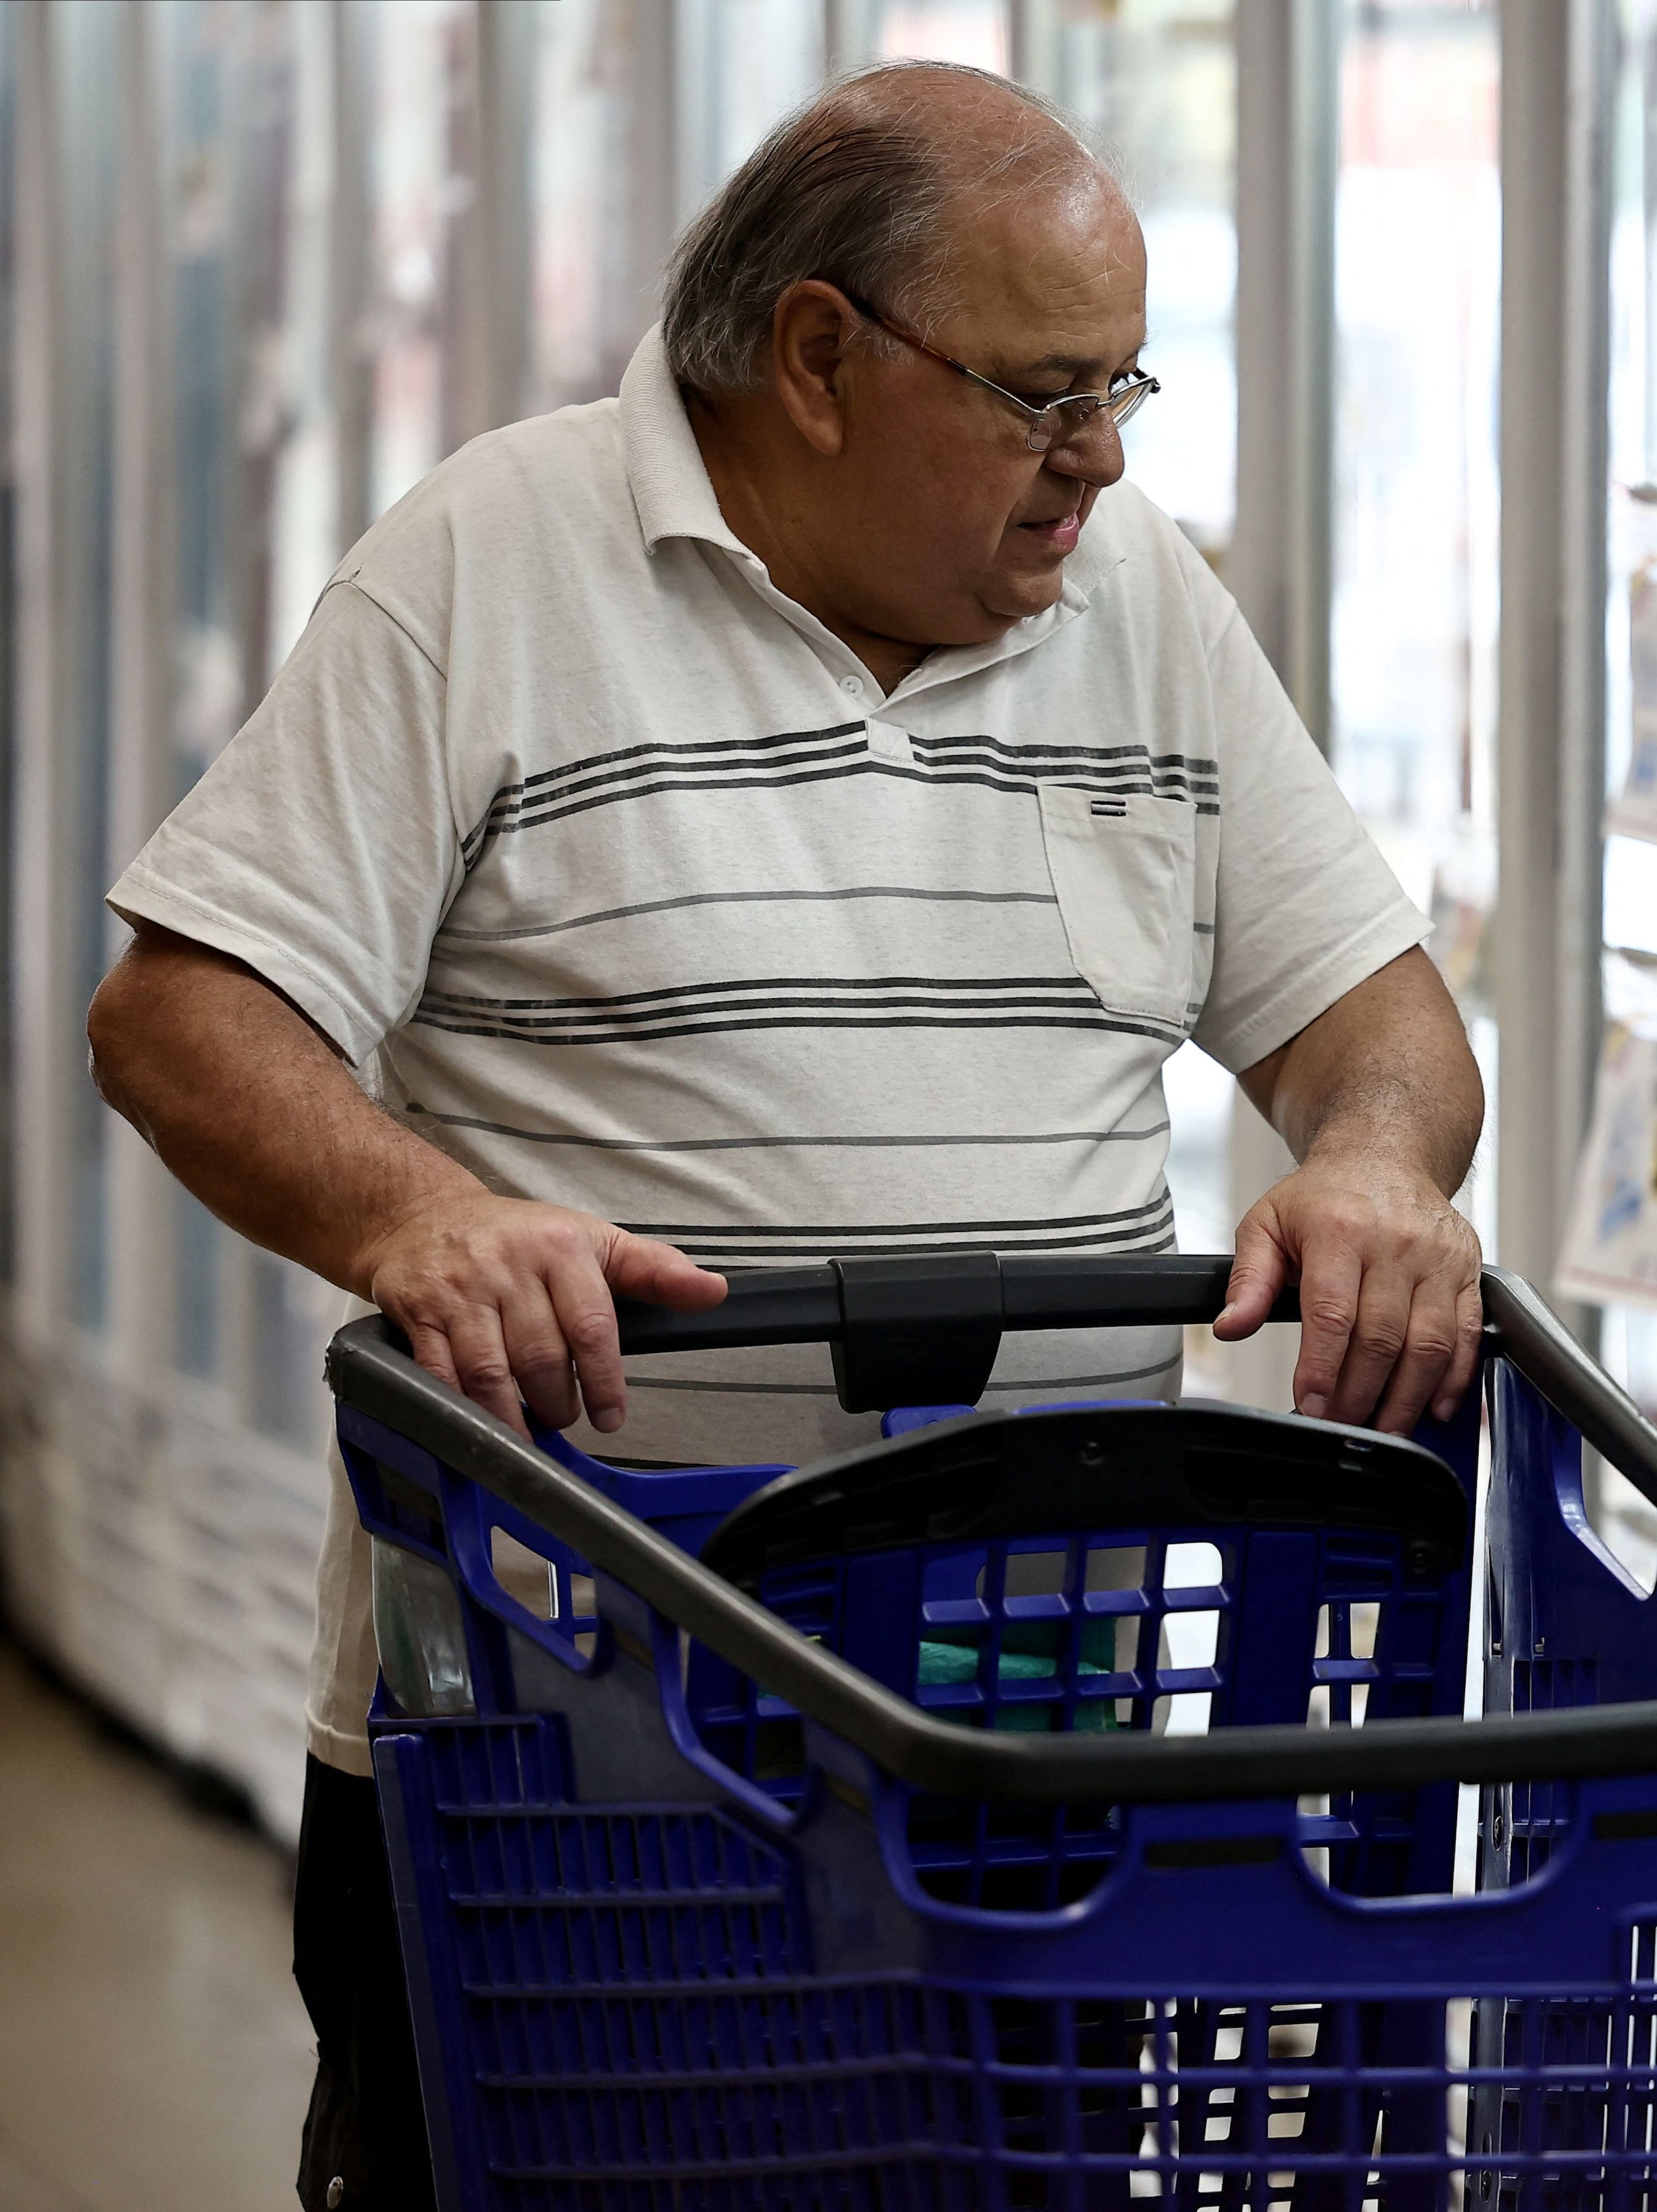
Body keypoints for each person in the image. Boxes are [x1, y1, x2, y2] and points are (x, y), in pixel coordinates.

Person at [82, 61, 1483, 2210]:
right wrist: (426, 1218)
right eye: (1040, 395)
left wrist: (1377, 1154)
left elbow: (1373, 1015)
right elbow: (187, 1008)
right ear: (821, 356)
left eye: (1125, 389)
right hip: (564, 1756)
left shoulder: (1146, 612)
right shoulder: (493, 560)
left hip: (1031, 1739)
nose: (1098, 459)